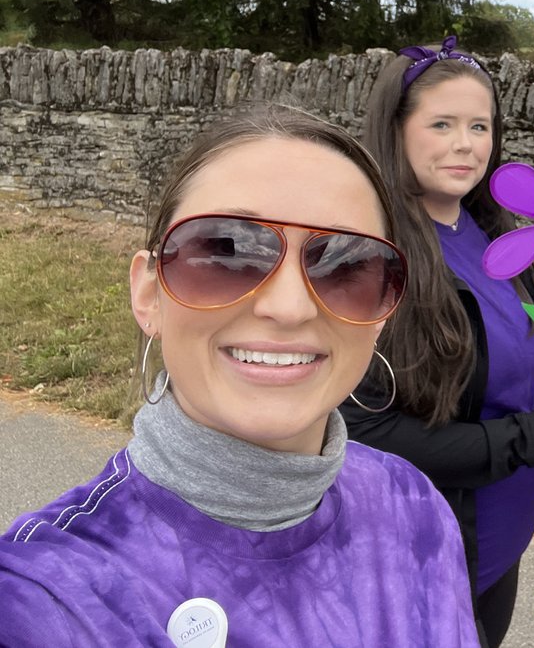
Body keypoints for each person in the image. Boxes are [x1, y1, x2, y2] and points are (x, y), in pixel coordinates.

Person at [0, 105, 479, 647]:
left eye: (345, 264)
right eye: (225, 252)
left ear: (385, 308)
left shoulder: (414, 505)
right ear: (149, 293)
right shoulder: (43, 600)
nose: (291, 307)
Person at [342, 39, 534, 648]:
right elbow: (361, 432)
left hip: (500, 541)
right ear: (396, 130)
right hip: (426, 558)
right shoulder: (374, 257)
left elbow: (533, 344)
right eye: (442, 124)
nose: (466, 145)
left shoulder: (492, 232)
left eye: (480, 126)